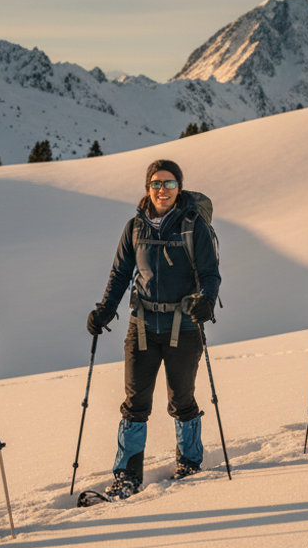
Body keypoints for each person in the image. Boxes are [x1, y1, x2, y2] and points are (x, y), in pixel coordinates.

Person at [86, 159, 221, 498]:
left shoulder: (193, 226)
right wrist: (104, 310)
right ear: (148, 188)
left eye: (170, 183)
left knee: (182, 399)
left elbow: (210, 273)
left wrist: (207, 299)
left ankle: (190, 462)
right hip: (142, 326)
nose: (163, 189)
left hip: (185, 326)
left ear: (180, 188)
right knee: (135, 403)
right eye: (157, 183)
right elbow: (119, 274)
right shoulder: (135, 227)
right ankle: (126, 476)